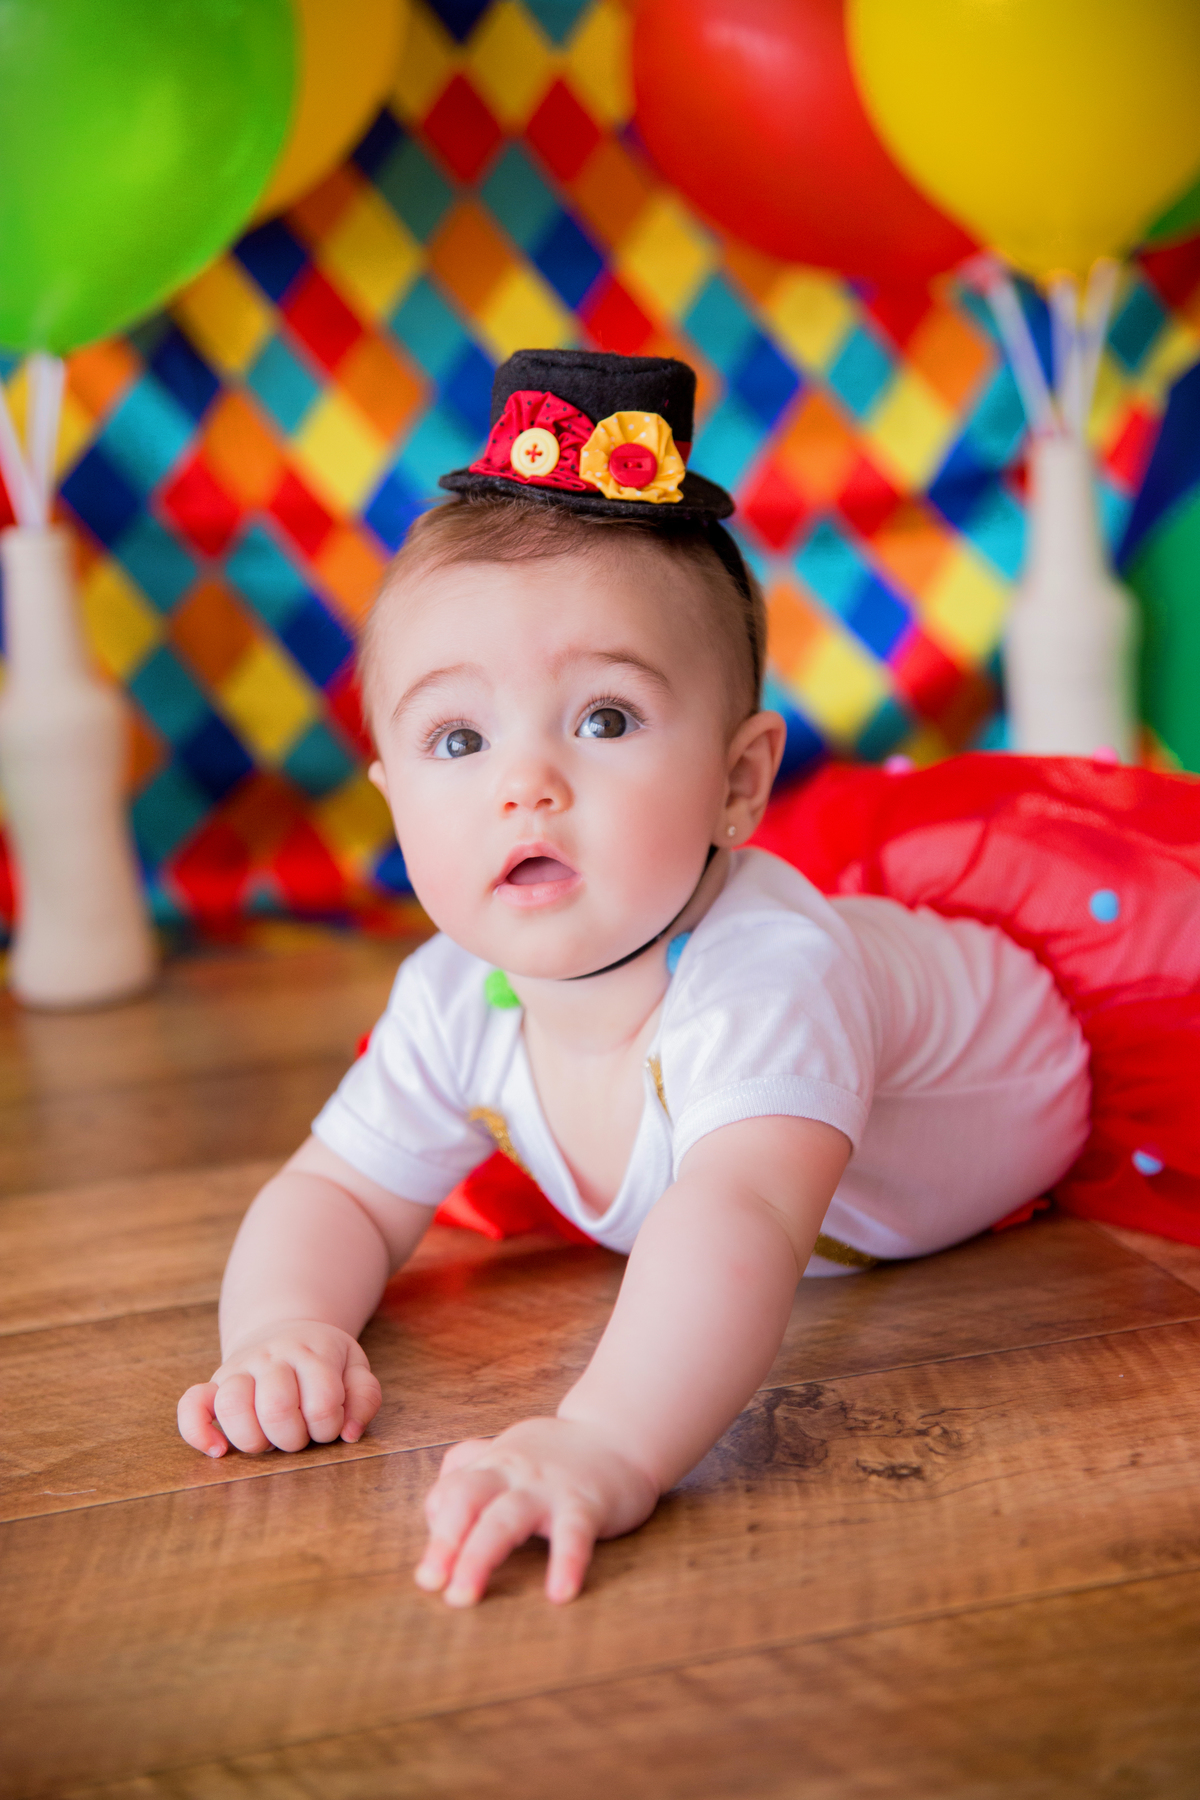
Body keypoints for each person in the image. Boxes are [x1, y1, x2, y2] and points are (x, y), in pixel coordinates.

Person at [178, 349, 1200, 1608]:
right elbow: (339, 1187)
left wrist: (605, 1441)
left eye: (604, 718)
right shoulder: (454, 996)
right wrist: (283, 1328)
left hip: (1049, 1044)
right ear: (392, 801)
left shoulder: (766, 974)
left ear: (738, 782)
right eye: (457, 737)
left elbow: (742, 1221)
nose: (526, 782)